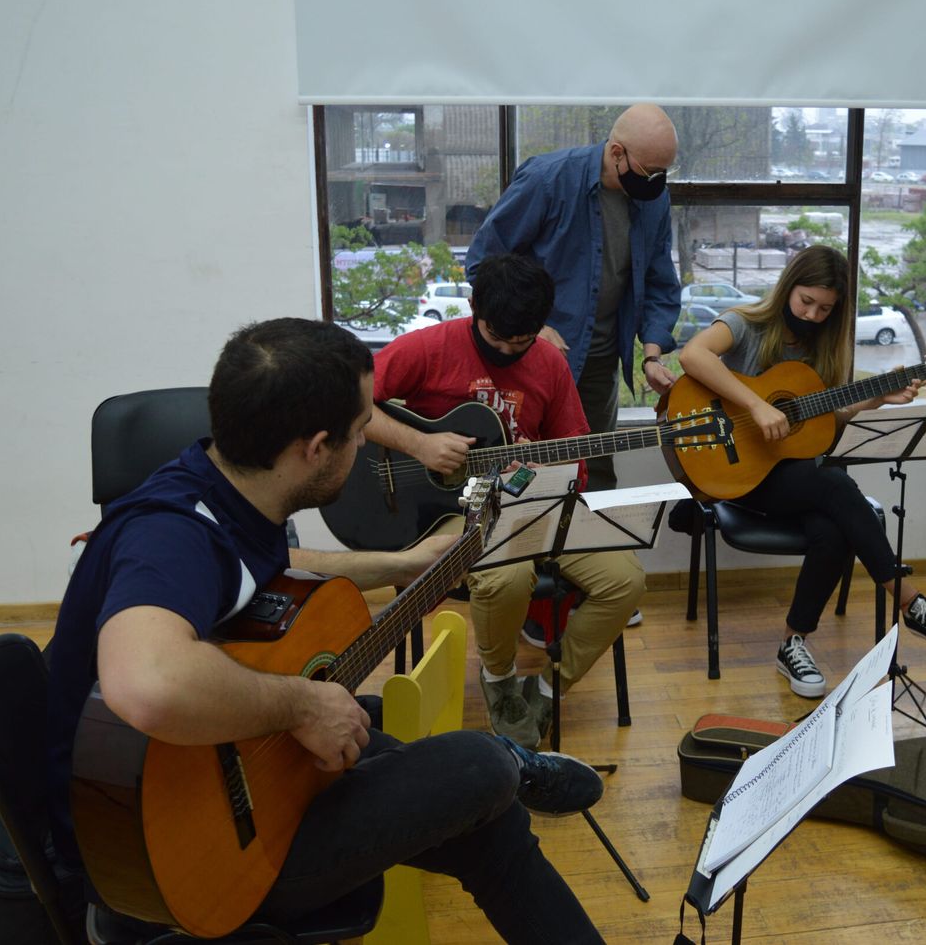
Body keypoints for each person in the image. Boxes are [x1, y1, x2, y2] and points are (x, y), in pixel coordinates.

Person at [44, 318, 606, 943]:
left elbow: (268, 573)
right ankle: (510, 758)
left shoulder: (220, 486)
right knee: (477, 767)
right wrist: (301, 703)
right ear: (315, 447)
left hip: (213, 791)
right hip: (172, 858)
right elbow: (145, 682)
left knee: (478, 811)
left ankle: (508, 773)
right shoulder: (168, 536)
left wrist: (403, 565)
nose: (367, 444)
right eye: (362, 430)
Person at [676, 245, 926, 698]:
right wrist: (757, 406)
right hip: (737, 474)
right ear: (788, 288)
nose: (815, 315)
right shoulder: (747, 323)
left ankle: (792, 643)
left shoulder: (825, 347)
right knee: (835, 484)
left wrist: (874, 399)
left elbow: (822, 423)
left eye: (825, 308)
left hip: (793, 477)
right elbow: (691, 356)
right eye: (806, 302)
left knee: (833, 530)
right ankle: (910, 601)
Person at [367, 254, 646, 746]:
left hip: (531, 504)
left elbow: (576, 461)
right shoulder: (429, 347)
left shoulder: (548, 362)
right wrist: (420, 444)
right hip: (452, 509)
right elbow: (347, 403)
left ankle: (545, 688)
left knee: (625, 581)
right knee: (507, 576)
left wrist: (542, 470)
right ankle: (499, 680)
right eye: (496, 339)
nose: (508, 351)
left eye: (521, 342)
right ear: (474, 307)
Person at [465, 103, 682, 494]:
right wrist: (534, 330)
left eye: (664, 172)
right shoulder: (548, 180)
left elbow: (659, 281)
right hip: (529, 359)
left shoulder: (654, 200)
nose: (656, 182)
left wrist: (651, 355)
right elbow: (485, 265)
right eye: (649, 171)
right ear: (617, 152)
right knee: (523, 474)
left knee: (593, 471)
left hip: (598, 363)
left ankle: (590, 554)